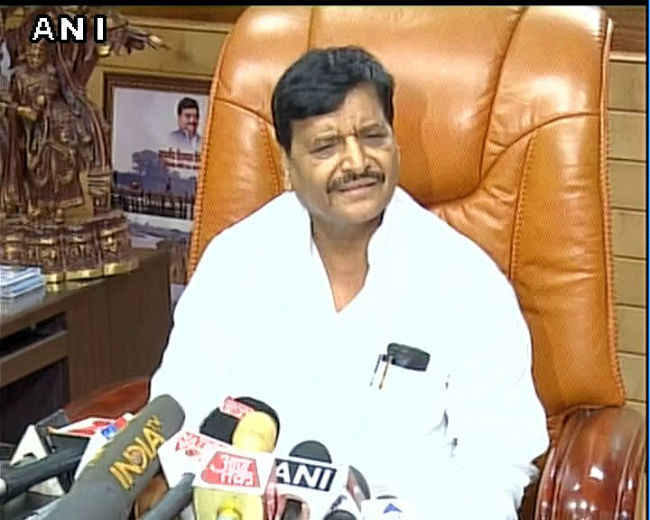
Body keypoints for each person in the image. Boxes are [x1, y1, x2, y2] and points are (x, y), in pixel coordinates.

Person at [150, 46, 549, 518]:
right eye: (326, 146)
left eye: (373, 136)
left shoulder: (464, 281)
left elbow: (496, 462)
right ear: (287, 163)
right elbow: (180, 410)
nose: (357, 162)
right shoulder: (236, 261)